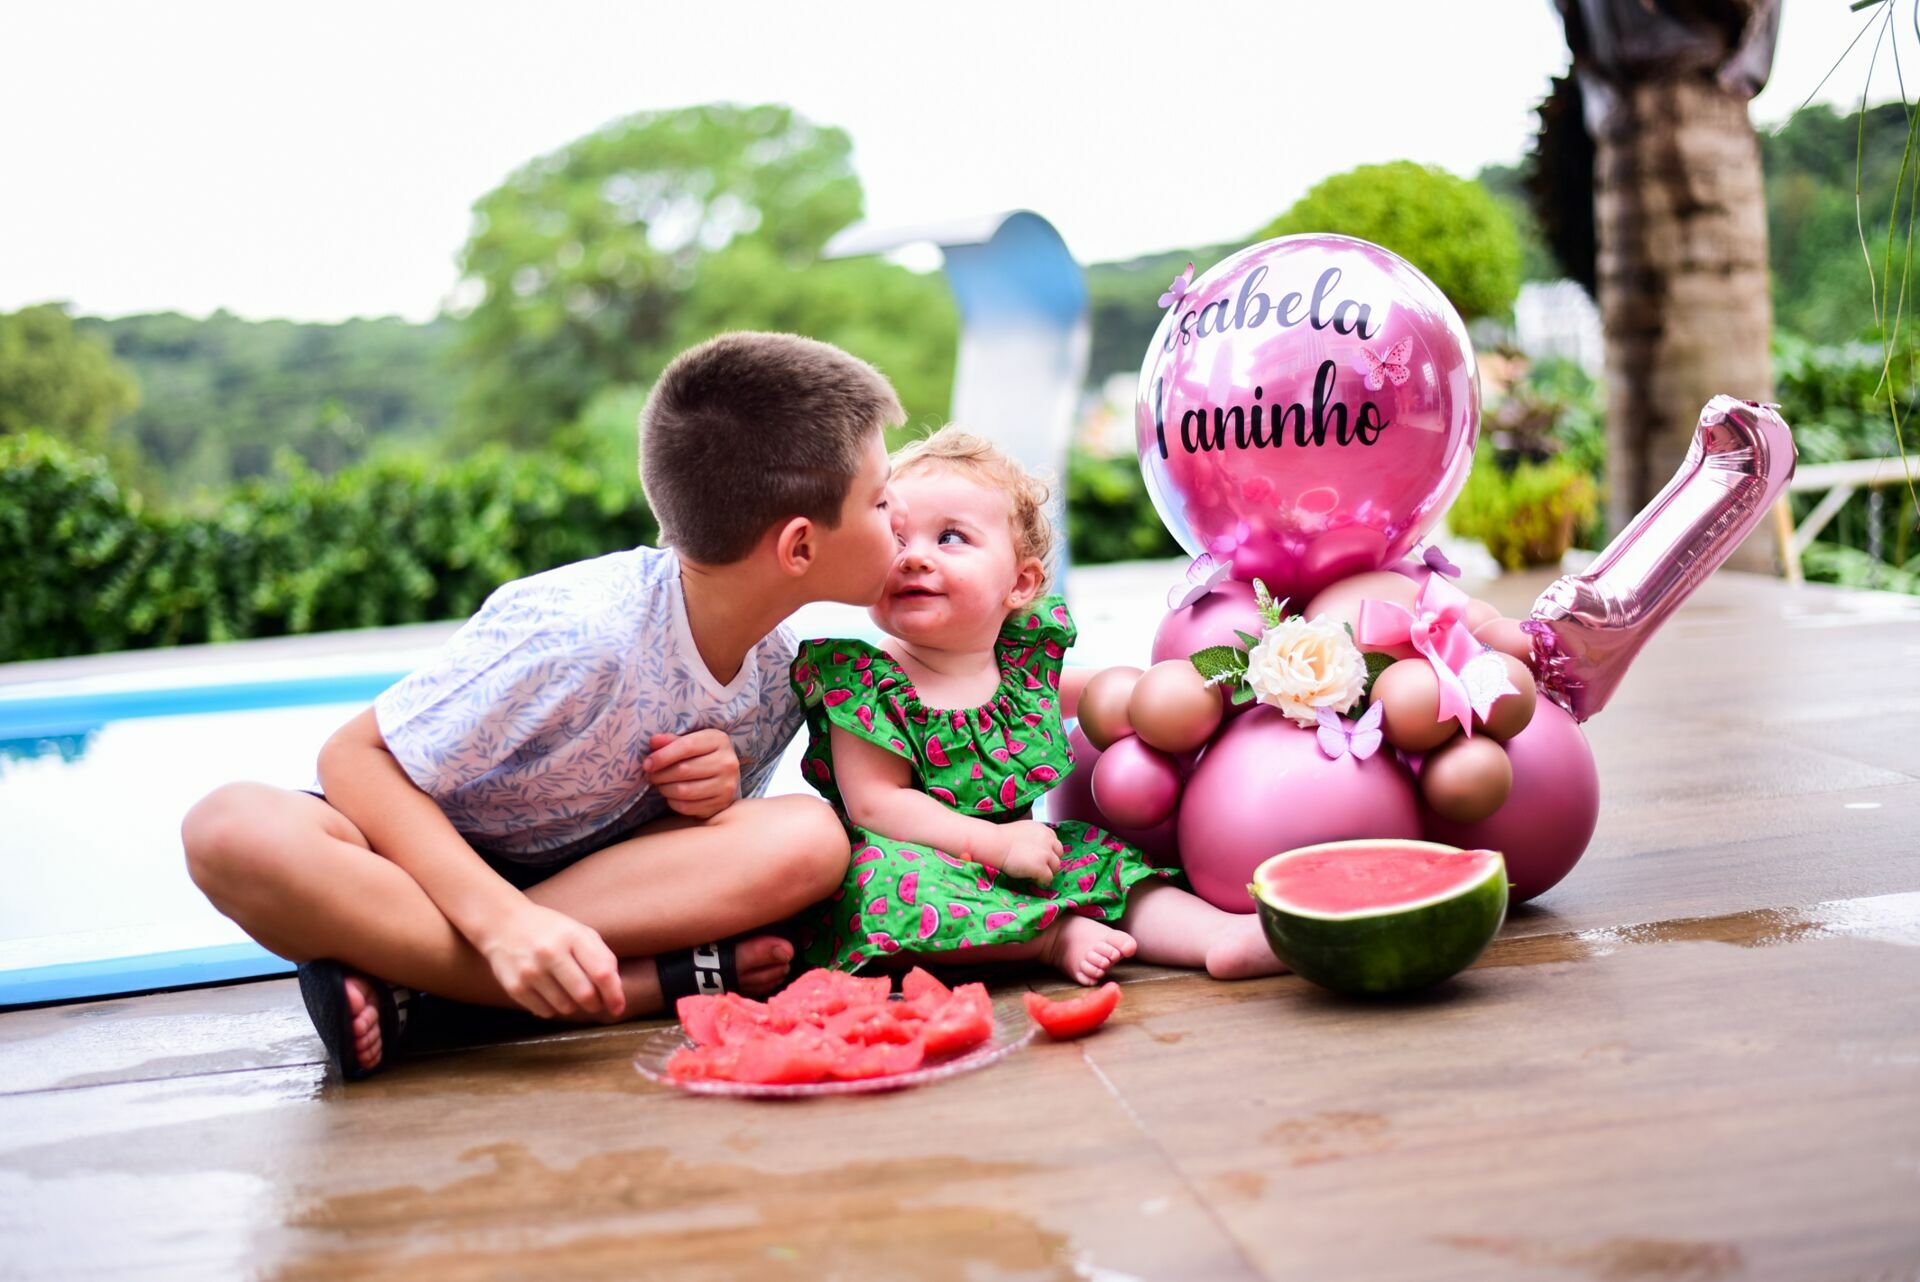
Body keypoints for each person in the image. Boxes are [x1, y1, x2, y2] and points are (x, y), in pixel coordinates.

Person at [182, 332, 906, 1079]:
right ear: (798, 547)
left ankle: (417, 978)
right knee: (230, 830)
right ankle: (611, 991)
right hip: (412, 866)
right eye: (881, 500)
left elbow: (672, 865)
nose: (900, 516)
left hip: (578, 897)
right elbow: (354, 757)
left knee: (810, 840)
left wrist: (711, 800)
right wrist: (503, 924)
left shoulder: (779, 676)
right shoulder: (578, 629)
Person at [788, 427, 1285, 986]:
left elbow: (1111, 691)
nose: (914, 558)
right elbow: (876, 804)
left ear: (1021, 583)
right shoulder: (865, 681)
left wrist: (1191, 689)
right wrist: (994, 843)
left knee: (1101, 858)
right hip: (920, 863)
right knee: (882, 890)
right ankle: (1049, 938)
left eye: (950, 537)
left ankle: (1216, 936)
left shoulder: (1023, 668)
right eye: (896, 539)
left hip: (1022, 860)